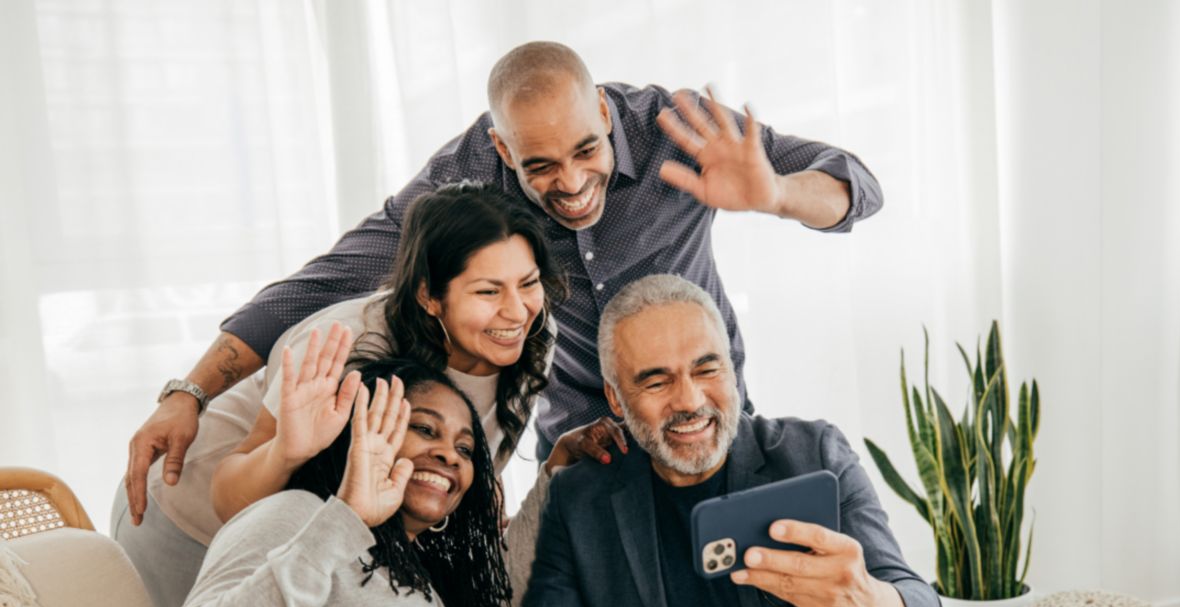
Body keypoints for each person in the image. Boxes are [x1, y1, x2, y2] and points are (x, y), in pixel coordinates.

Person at [123, 40, 883, 507]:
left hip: (707, 414)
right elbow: (331, 279)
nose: (574, 184)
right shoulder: (464, 178)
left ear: (609, 115)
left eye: (589, 151)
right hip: (586, 447)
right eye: (541, 166)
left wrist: (779, 195)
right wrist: (190, 390)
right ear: (502, 147)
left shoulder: (675, 130)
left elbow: (854, 184)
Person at [504, 275, 1008, 607]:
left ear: (733, 368)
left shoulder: (813, 453)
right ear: (615, 398)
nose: (690, 400)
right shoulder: (580, 499)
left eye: (707, 368)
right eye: (656, 382)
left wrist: (867, 605)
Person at [111, 182, 597, 607]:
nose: (516, 311)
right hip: (194, 517)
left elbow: (471, 460)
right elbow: (232, 502)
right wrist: (287, 452)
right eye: (488, 291)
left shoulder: (532, 336)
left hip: (318, 545)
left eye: (528, 283)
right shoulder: (347, 343)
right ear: (429, 295)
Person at [158, 358, 510, 607]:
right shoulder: (295, 516)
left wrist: (555, 472)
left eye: (466, 448)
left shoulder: (411, 579)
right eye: (424, 429)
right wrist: (345, 519)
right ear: (355, 433)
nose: (450, 455)